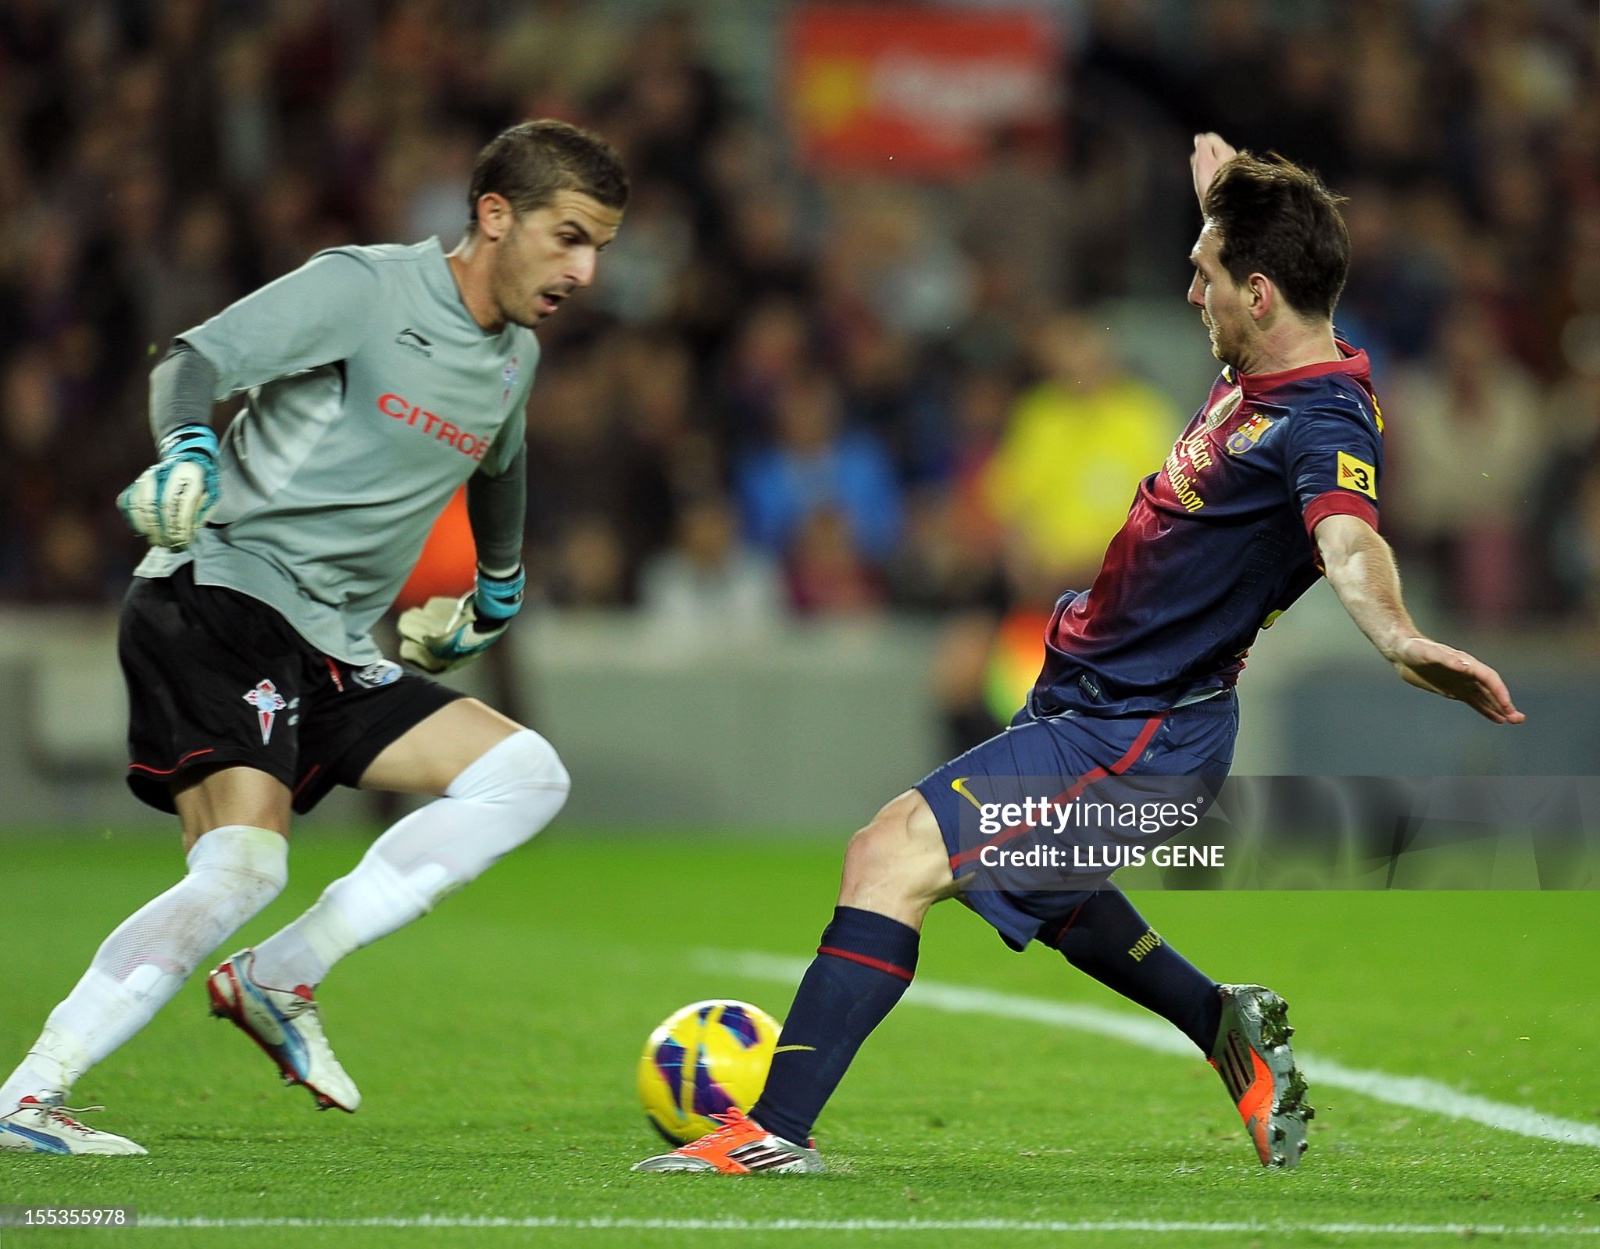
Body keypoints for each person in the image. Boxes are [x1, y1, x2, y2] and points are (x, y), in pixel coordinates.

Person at [634, 134, 1524, 1176]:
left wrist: (1397, 634)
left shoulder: (1322, 418)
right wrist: (1225, 187)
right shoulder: (1266, 354)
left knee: (890, 854)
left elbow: (1347, 539)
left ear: (1260, 293)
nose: (1191, 295)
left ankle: (770, 1128)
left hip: (1140, 730)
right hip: (1088, 699)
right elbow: (1248, 238)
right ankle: (1223, 1025)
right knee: (1055, 898)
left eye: (1203, 277)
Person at [0, 120, 627, 1155]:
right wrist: (193, 451)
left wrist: (499, 587)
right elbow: (193, 360)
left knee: (527, 775)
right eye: (568, 237)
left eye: (598, 245)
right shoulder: (366, 289)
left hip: (331, 639)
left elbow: (500, 462)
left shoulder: (513, 356)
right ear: (494, 216)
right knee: (242, 868)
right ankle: (29, 1094)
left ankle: (282, 973)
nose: (586, 269)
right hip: (222, 592)